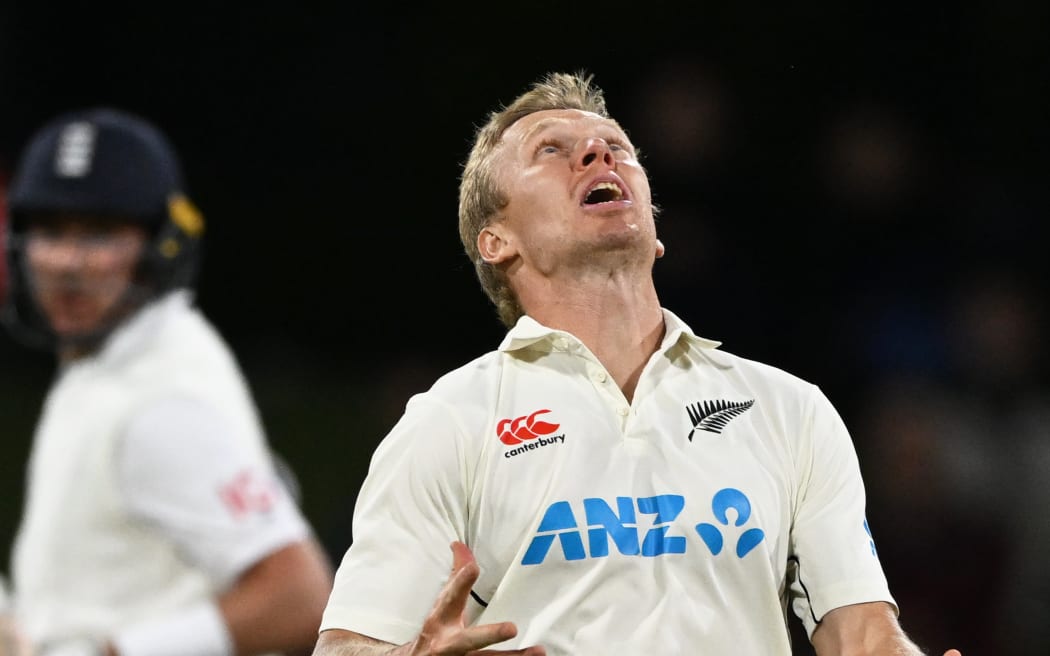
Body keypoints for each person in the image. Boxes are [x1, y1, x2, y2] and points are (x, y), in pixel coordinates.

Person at [312, 71, 963, 656]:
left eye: (616, 148)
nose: (598, 154)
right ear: (496, 240)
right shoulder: (451, 423)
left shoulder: (791, 411)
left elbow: (864, 634)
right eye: (551, 151)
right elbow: (348, 648)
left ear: (655, 230)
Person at [0, 107, 334, 656]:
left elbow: (296, 596)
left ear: (162, 245)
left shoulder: (163, 393)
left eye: (101, 233)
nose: (67, 262)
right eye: (50, 230)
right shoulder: (110, 364)